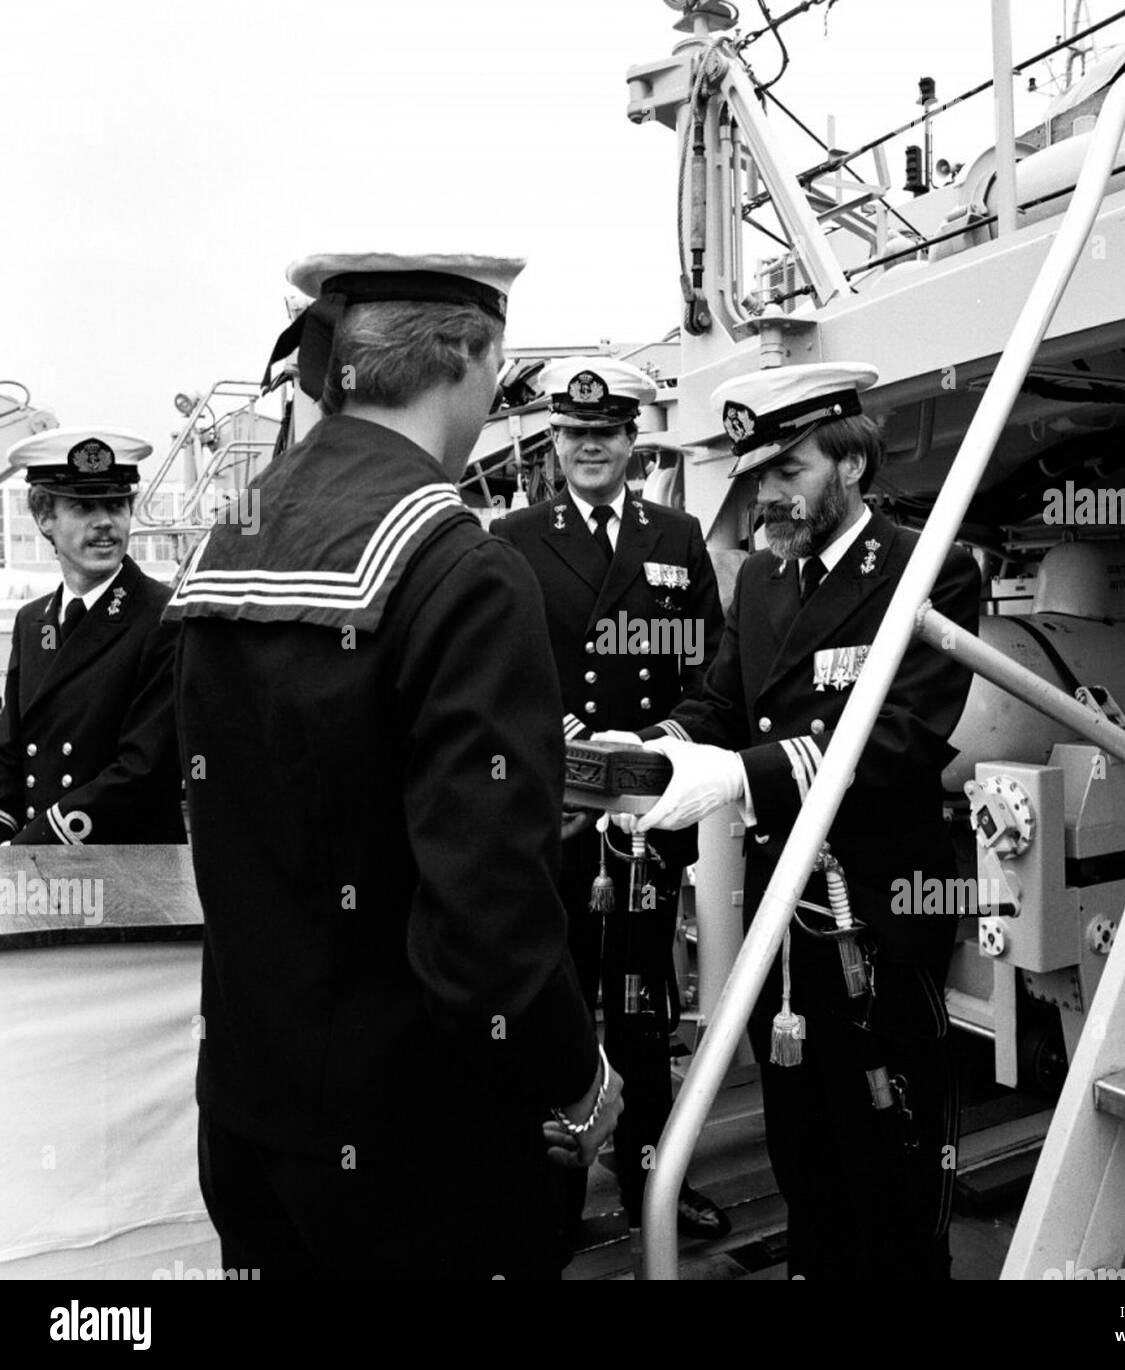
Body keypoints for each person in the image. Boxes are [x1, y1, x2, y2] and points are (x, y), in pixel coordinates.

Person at [166, 252, 621, 1280]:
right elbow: (486, 918)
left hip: (249, 1114)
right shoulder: (460, 567)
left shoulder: (224, 547)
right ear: (471, 356)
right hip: (419, 1148)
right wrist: (576, 1074)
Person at [624, 362, 980, 1279]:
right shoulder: (761, 583)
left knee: (892, 1149)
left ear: (852, 464)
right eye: (759, 476)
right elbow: (719, 704)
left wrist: (737, 779)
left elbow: (900, 736)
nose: (768, 494)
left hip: (881, 912)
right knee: (805, 1146)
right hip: (784, 922)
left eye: (790, 471)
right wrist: (637, 760)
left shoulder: (929, 565)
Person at [491, 356, 729, 1244]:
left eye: (605, 434)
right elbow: (500, 664)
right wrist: (563, 742)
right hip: (555, 814)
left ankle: (651, 1181)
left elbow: (711, 669)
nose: (589, 448)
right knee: (557, 1000)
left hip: (645, 813)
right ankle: (551, 1197)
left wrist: (663, 745)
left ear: (633, 440)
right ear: (554, 442)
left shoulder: (677, 535)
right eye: (573, 435)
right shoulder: (515, 536)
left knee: (642, 1006)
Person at [0, 428, 185, 845]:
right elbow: (11, 752)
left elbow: (143, 769)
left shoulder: (164, 618)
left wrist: (28, 846)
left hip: (128, 875)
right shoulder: (34, 623)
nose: (105, 523)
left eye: (116, 505)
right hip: (39, 867)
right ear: (44, 516)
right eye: (84, 506)